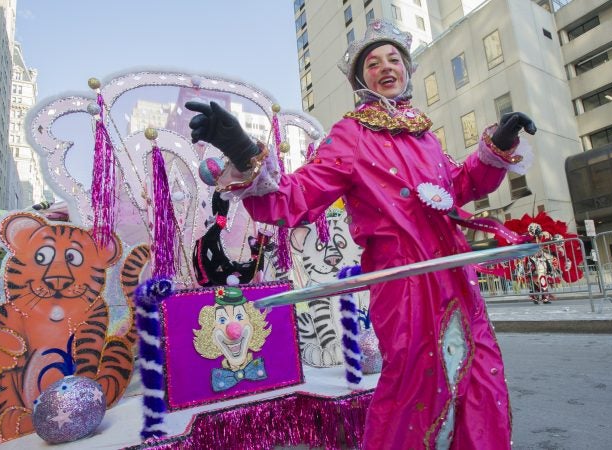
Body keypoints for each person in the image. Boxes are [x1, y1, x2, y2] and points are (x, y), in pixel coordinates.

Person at [186, 19, 536, 450]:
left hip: (455, 276)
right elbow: (293, 198)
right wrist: (242, 149)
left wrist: (497, 143)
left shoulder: (424, 134)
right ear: (360, 79)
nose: (386, 67)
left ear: (407, 69)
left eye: (394, 59)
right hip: (402, 283)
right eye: (373, 63)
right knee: (414, 388)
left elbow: (458, 188)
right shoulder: (350, 135)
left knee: (480, 377)